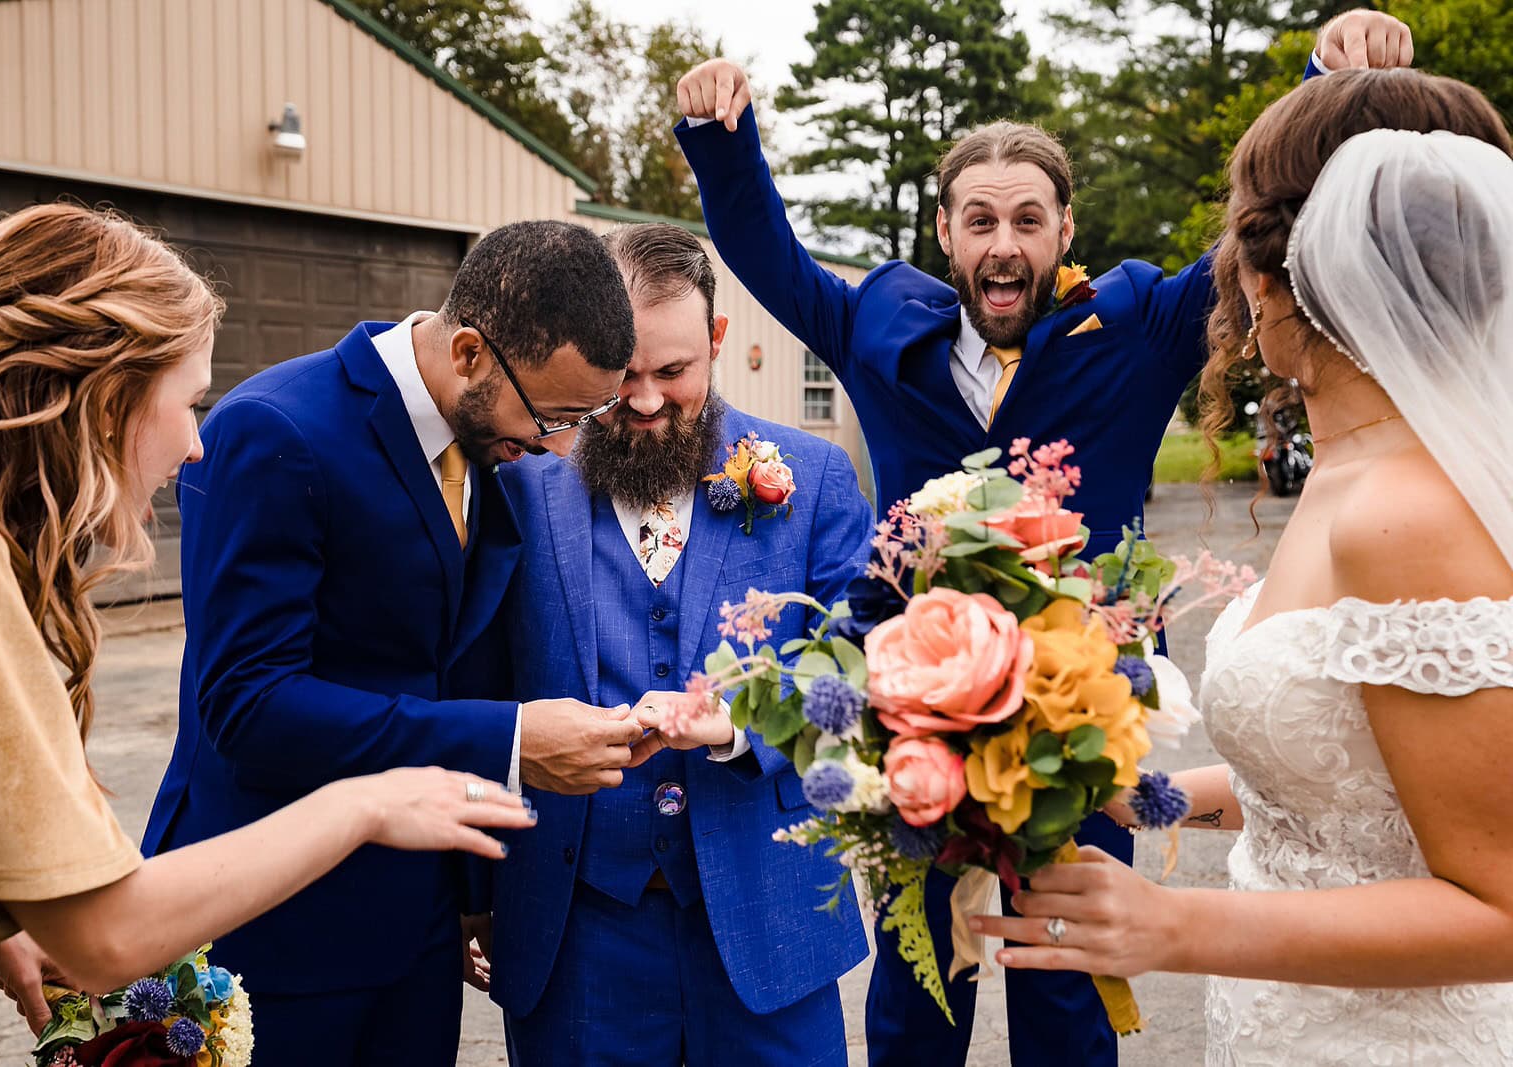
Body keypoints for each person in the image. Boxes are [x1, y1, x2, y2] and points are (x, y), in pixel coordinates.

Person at [672, 10, 1413, 1064]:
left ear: (1066, 230)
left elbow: (1267, 223)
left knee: (1064, 973)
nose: (1002, 243)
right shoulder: (876, 330)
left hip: (1083, 714)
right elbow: (766, 254)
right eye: (979, 221)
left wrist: (1321, 78)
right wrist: (721, 136)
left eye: (1027, 219)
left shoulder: (1145, 324)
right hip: (915, 713)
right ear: (946, 235)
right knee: (913, 980)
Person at [971, 68, 1513, 1065]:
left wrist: (1172, 923)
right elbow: (1350, 774)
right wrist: (1125, 790)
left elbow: (1499, 906)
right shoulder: (1354, 472)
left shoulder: (1408, 512)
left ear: (1269, 279)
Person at [0, 203, 533, 1067]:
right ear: (100, 397)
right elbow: (105, 934)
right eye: (189, 402)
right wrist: (369, 802)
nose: (197, 446)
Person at [140, 219, 646, 1065]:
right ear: (472, 353)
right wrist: (512, 740)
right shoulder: (275, 429)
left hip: (417, 937)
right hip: (276, 929)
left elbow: (452, 658)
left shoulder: (487, 441)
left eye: (580, 418)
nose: (559, 445)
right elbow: (248, 705)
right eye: (552, 414)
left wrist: (472, 893)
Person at [486, 223, 873, 1065]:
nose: (649, 399)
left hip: (772, 928)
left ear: (718, 341)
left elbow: (866, 668)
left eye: (674, 372)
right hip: (579, 937)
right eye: (624, 375)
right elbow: (472, 684)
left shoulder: (812, 478)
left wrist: (741, 724)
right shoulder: (520, 487)